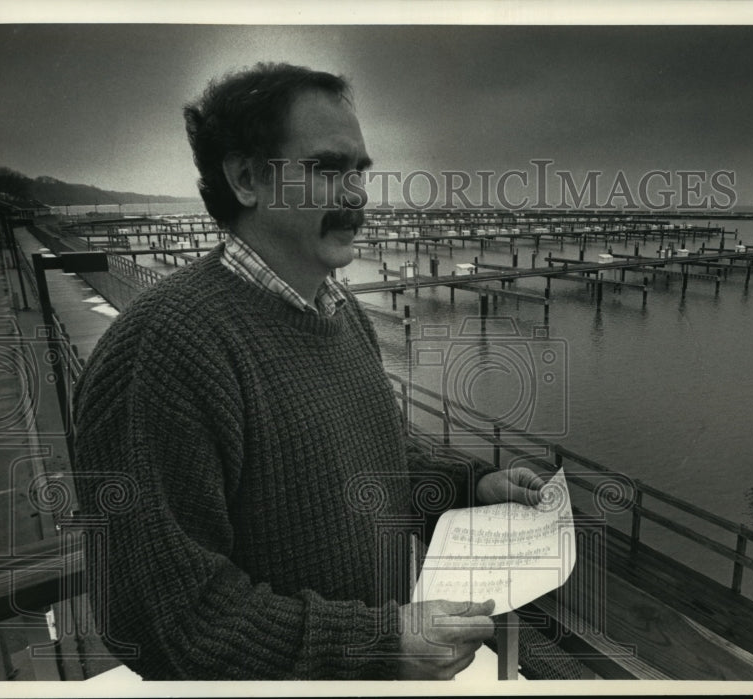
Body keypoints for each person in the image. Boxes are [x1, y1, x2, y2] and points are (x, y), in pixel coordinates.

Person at [72, 62, 555, 680]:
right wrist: (383, 645)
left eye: (360, 171)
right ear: (246, 178)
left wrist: (471, 486)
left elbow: (370, 457)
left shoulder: (341, 311)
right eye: (327, 169)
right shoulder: (162, 351)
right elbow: (168, 621)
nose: (356, 196)